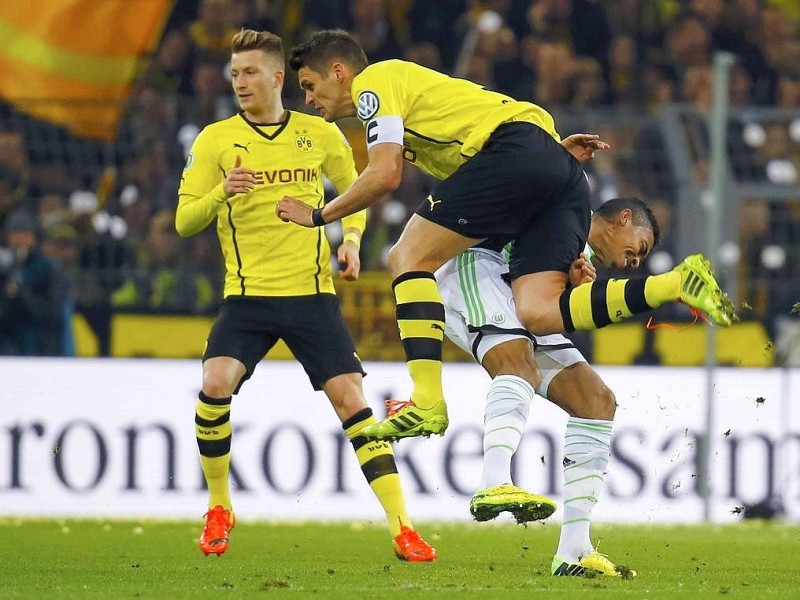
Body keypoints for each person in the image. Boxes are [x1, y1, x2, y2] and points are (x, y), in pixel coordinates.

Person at [275, 29, 737, 442]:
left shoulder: (373, 84)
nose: (310, 100)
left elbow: (385, 174)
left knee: (406, 258)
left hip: (518, 149)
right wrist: (552, 155)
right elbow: (485, 145)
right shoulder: (406, 105)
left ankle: (427, 400)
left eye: (311, 86)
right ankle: (671, 285)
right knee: (537, 311)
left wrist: (319, 216)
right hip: (547, 161)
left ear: (339, 71)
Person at [176, 29, 435, 562]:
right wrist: (221, 191)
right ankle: (220, 506)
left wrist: (354, 241)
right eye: (234, 74)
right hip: (246, 297)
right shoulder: (214, 141)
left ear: (276, 78)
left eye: (250, 73)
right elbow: (183, 222)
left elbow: (357, 189)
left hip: (312, 295)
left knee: (351, 400)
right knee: (214, 382)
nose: (240, 83)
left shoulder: (318, 135)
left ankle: (403, 526)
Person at [437, 197, 658, 579]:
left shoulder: (580, 257)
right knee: (518, 364)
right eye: (640, 247)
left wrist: (568, 286)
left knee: (597, 401)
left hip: (518, 298)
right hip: (479, 268)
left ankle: (574, 550)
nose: (635, 262)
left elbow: (547, 298)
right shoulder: (568, 204)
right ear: (624, 218)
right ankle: (493, 483)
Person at [0, 210, 73, 356]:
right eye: (14, 234)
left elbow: (54, 312)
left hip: (43, 348)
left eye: (24, 234)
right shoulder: (5, 270)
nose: (19, 240)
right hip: (9, 347)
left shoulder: (49, 268)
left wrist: (22, 294)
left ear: (34, 237)